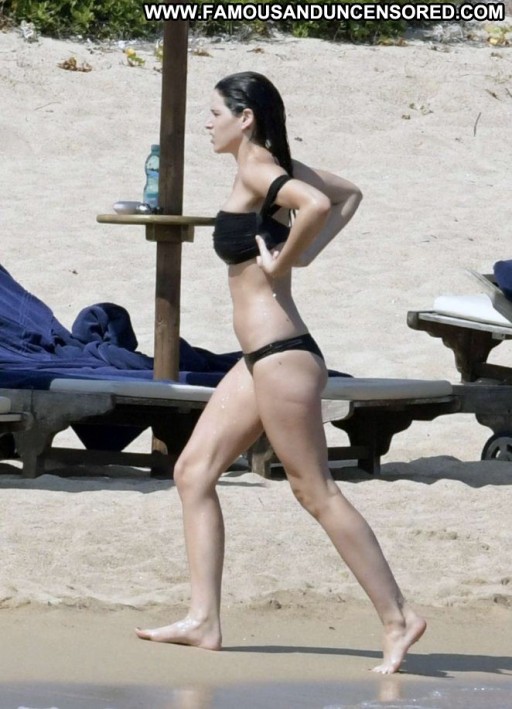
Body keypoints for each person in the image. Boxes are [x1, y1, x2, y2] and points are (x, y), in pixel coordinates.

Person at [136, 71, 426, 673]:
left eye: (215, 112)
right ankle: (203, 620)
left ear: (245, 118)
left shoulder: (259, 171)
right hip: (259, 359)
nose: (207, 123)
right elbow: (348, 195)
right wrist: (304, 254)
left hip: (282, 357)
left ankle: (399, 617)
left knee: (314, 491)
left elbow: (317, 205)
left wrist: (287, 259)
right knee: (193, 472)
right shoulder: (270, 167)